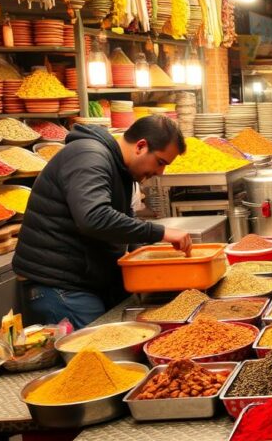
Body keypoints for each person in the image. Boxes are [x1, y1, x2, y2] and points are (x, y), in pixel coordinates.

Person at [15, 117, 191, 328]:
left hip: (84, 280)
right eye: (160, 162)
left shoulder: (117, 165)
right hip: (61, 286)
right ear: (141, 146)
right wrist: (159, 232)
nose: (159, 172)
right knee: (96, 355)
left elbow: (120, 219)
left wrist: (145, 258)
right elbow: (94, 217)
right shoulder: (89, 156)